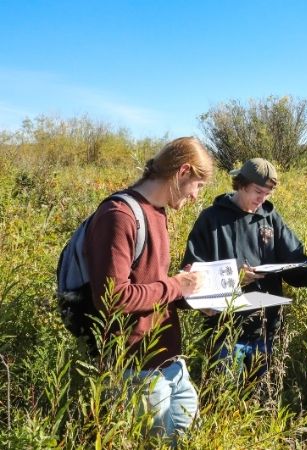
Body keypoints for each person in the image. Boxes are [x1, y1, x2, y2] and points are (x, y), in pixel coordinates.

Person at [182, 158, 307, 379]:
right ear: (241, 184)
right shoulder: (211, 219)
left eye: (267, 194)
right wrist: (234, 278)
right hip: (225, 332)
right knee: (222, 396)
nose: (262, 199)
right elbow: (192, 274)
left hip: (265, 329)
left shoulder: (270, 219)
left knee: (260, 398)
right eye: (258, 191)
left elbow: (297, 266)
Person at [85, 136, 213, 442]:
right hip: (135, 366)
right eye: (197, 186)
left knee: (185, 438)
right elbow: (113, 299)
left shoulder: (158, 212)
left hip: (170, 360)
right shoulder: (119, 216)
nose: (196, 197)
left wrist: (190, 295)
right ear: (183, 171)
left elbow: (151, 286)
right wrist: (175, 285)